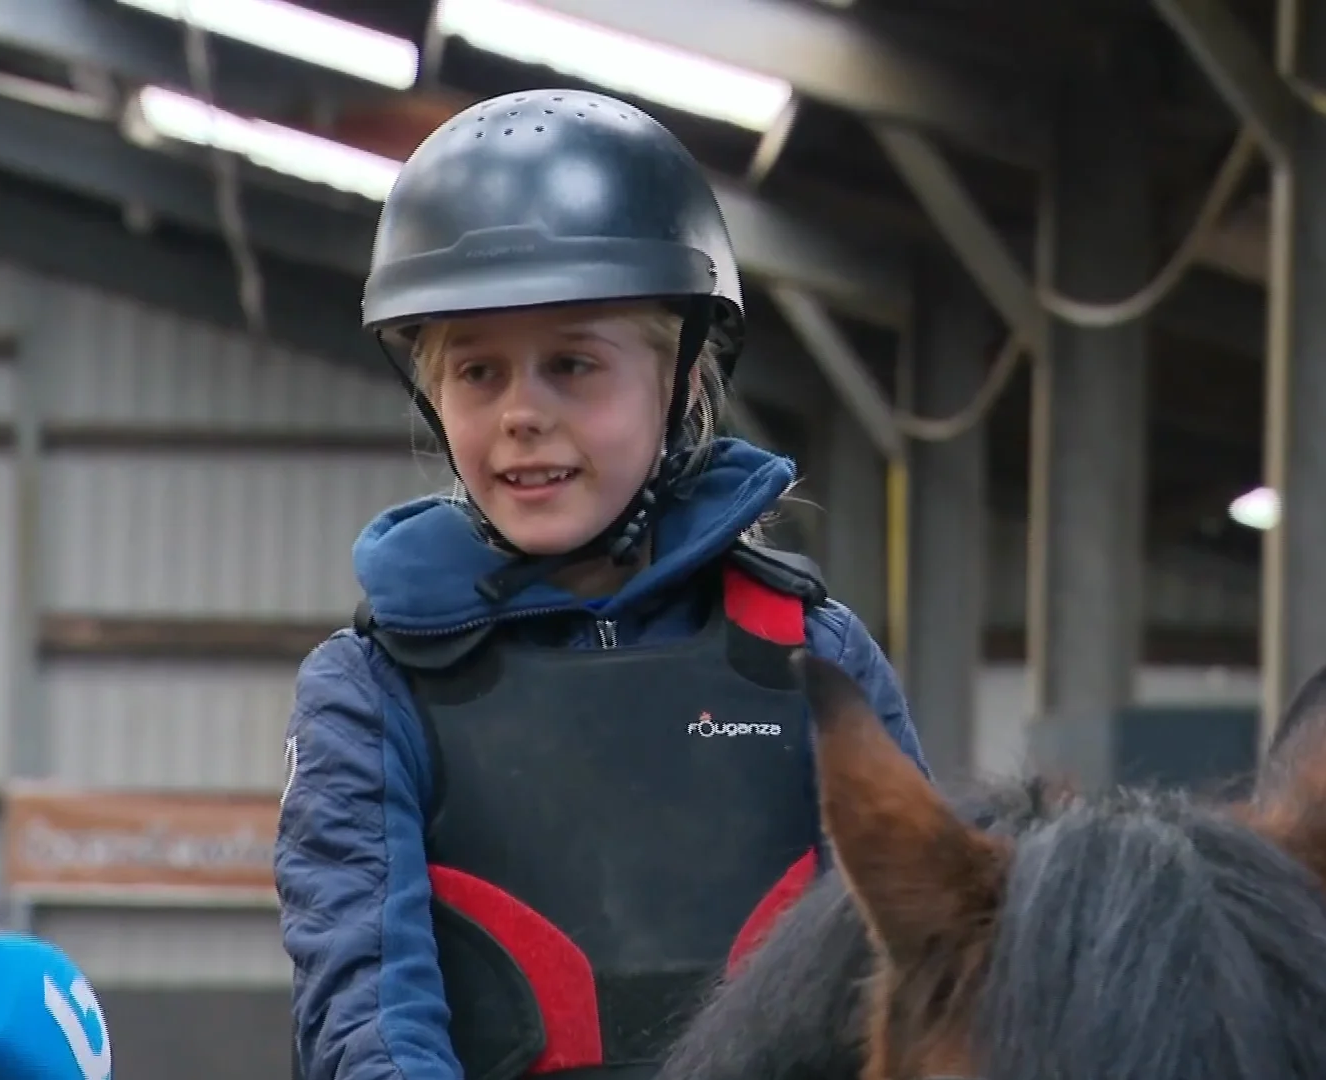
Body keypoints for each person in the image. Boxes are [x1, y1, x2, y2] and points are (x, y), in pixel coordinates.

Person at [275, 87, 929, 1080]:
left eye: (573, 364)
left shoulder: (814, 657)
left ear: (681, 379)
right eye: (479, 374)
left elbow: (914, 968)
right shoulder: (371, 690)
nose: (521, 416)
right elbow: (368, 1006)